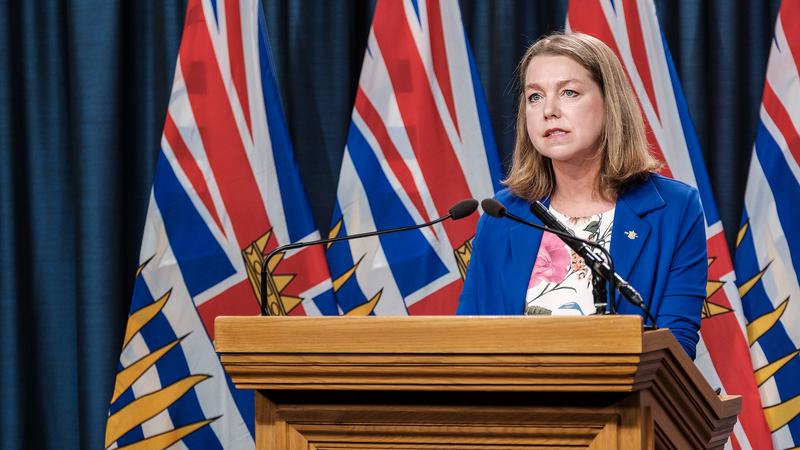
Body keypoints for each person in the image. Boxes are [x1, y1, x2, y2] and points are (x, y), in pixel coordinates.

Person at [457, 32, 707, 359]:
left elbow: (676, 344)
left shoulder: (673, 209)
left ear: (610, 103)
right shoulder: (503, 215)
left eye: (569, 93)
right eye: (535, 96)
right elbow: (469, 340)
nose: (549, 110)